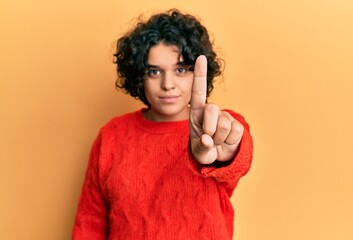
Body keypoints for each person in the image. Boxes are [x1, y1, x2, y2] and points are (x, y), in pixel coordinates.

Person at [72, 9, 253, 240]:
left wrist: (225, 151)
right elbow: (90, 223)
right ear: (139, 76)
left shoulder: (217, 126)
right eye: (154, 71)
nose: (168, 84)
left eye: (181, 70)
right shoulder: (111, 135)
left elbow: (240, 148)